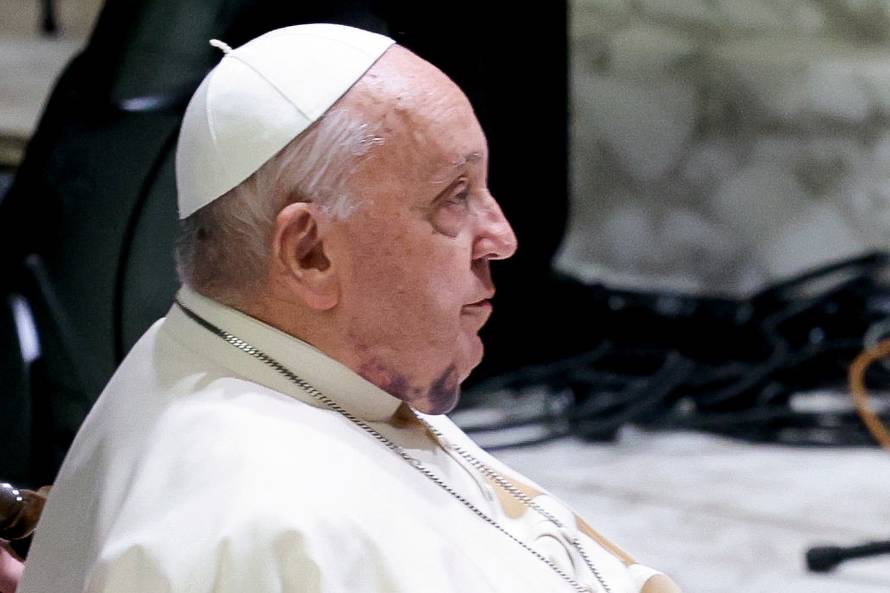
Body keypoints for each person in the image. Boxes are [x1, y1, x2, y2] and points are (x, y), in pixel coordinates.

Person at [16, 24, 680, 593]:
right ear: (309, 254)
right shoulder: (249, 527)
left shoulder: (294, 362)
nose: (502, 238)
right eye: (454, 197)